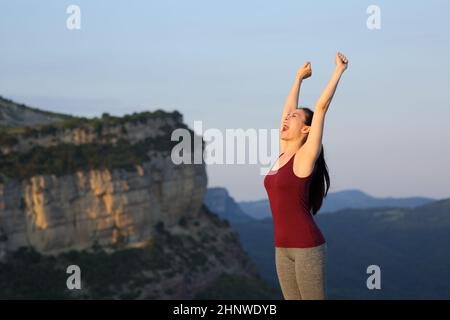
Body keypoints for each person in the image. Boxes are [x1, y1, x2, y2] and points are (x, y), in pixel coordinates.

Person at [263, 52, 349, 300]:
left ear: (306, 129)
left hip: (307, 248)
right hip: (281, 249)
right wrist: (298, 79)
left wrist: (338, 72)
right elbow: (286, 110)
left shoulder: (305, 157)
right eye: (287, 117)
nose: (287, 119)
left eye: (295, 117)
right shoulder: (281, 155)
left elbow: (321, 108)